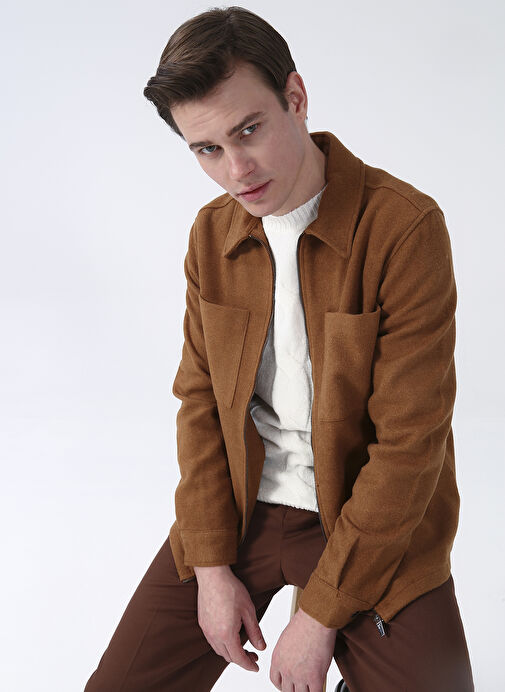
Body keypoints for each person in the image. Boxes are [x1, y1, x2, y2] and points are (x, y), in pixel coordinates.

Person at [84, 6, 475, 691]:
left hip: (368, 520)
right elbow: (200, 405)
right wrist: (210, 567)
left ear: (295, 97)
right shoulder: (212, 236)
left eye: (248, 130)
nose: (236, 169)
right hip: (244, 510)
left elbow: (409, 444)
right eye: (206, 150)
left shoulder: (403, 227)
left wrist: (319, 615)